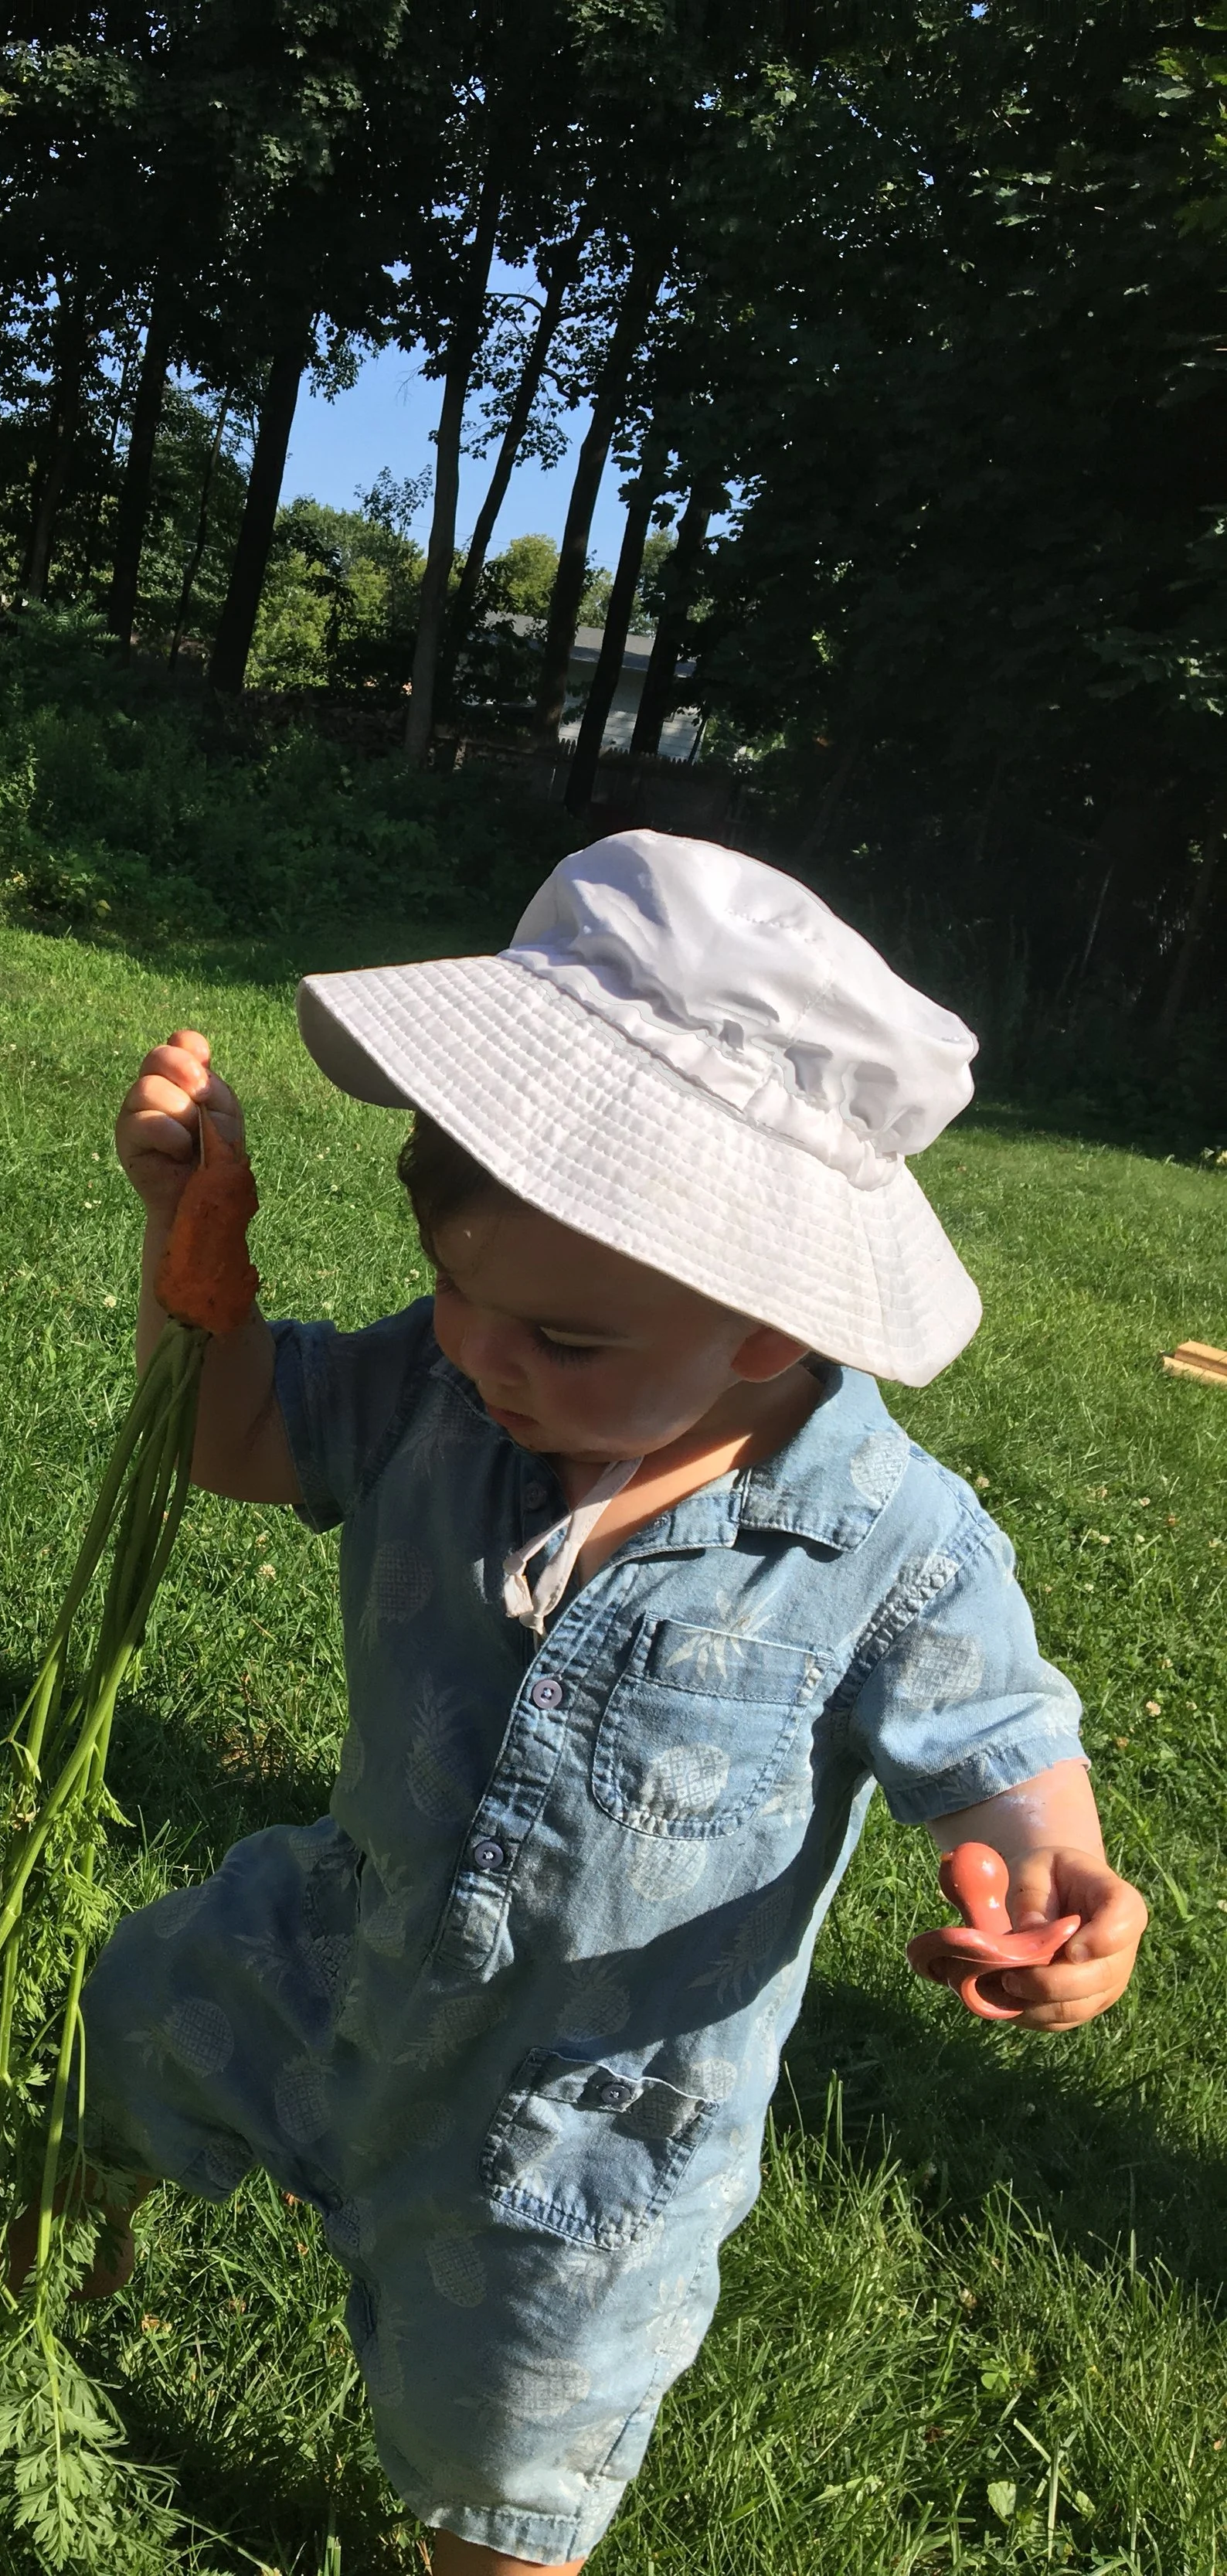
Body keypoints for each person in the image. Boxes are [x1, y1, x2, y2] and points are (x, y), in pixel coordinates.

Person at [76, 832, 1147, 2574]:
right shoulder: (444, 1383)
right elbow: (234, 1435)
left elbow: (1004, 1760)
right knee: (112, 2024)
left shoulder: (888, 1542)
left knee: (501, 2462)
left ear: (769, 1323)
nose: (485, 1355)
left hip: (574, 2123)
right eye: (456, 1292)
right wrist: (184, 1251)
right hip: (340, 1944)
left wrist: (1052, 1889)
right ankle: (50, 2250)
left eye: (560, 1341)